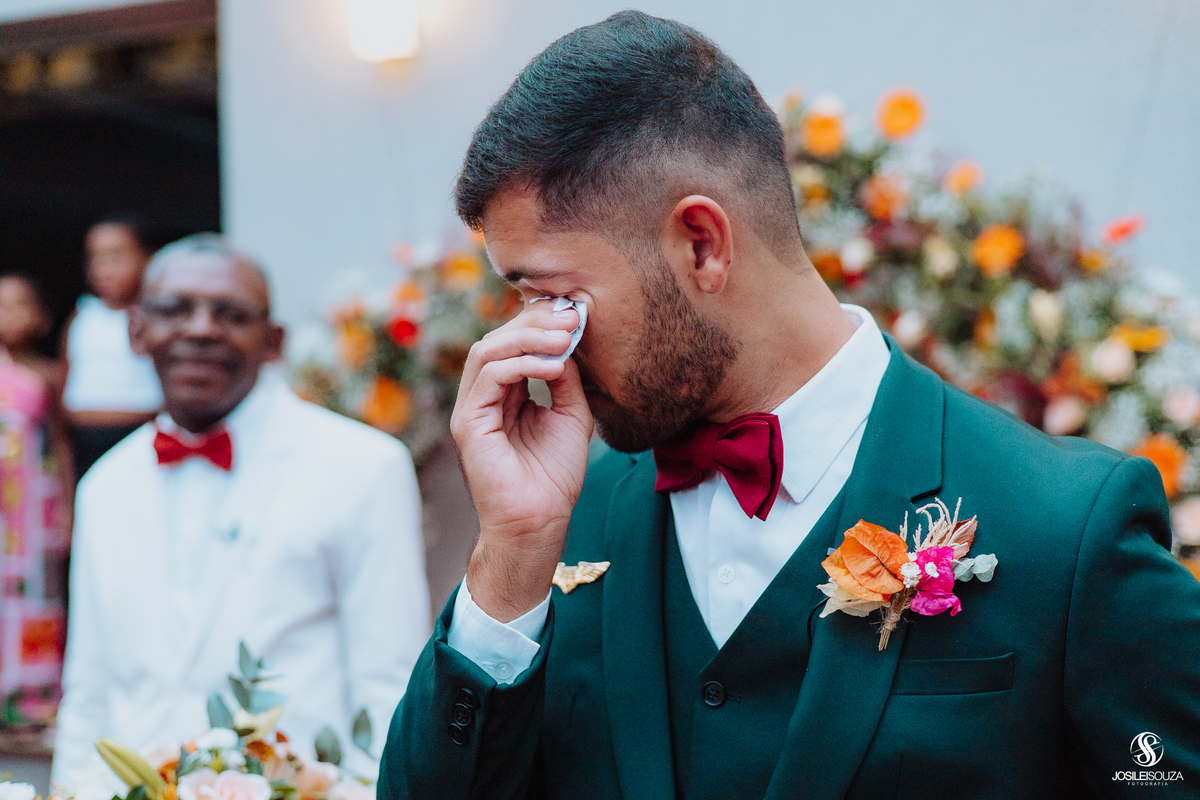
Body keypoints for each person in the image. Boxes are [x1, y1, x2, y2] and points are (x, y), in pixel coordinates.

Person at [379, 11, 1200, 799]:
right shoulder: (563, 524)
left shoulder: (1067, 524)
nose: (535, 343)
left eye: (557, 296)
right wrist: (509, 558)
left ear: (701, 244)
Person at [53, 235, 431, 785]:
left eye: (230, 314)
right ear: (137, 330)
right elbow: (87, 691)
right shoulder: (104, 486)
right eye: (174, 309)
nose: (202, 328)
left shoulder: (364, 467)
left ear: (274, 341)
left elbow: (390, 686)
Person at [0, 274, 71, 727]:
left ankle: (33, 696)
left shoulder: (48, 375)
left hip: (32, 513)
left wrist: (66, 503)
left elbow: (60, 443)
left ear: (40, 317)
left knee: (36, 598)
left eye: (19, 305)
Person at [63, 215, 164, 481]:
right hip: (84, 443)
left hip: (141, 436)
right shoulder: (83, 315)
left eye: (117, 256)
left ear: (148, 258)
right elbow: (65, 383)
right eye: (96, 258)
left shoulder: (158, 318)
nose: (104, 268)